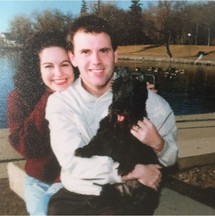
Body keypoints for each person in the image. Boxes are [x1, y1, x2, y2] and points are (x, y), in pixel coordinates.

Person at [46, 15, 178, 215]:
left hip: (129, 197)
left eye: (103, 51)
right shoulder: (61, 102)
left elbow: (170, 158)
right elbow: (73, 162)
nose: (96, 61)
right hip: (79, 194)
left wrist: (159, 145)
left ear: (115, 54)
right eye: (85, 52)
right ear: (72, 57)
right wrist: (136, 171)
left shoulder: (149, 100)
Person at [7, 31, 77, 215]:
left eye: (64, 64)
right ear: (36, 68)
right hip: (38, 181)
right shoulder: (19, 98)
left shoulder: (83, 94)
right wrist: (49, 96)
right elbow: (26, 147)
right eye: (48, 66)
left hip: (75, 179)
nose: (59, 73)